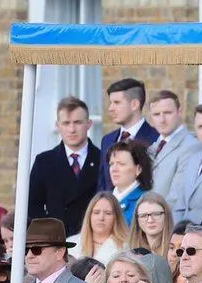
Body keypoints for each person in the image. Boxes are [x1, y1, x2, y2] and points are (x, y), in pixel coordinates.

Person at [29, 96, 101, 235]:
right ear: (58, 126)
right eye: (66, 123)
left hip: (93, 238)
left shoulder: (103, 160)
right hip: (57, 240)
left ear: (89, 124)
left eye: (78, 122)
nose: (72, 129)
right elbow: (33, 206)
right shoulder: (44, 162)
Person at [98, 78, 159, 194]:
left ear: (134, 104)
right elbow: (102, 185)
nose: (110, 108)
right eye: (111, 103)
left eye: (117, 102)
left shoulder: (156, 139)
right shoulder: (107, 140)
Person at [146, 90, 202, 202]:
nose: (162, 120)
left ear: (179, 111)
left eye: (167, 113)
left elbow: (177, 196)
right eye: (156, 114)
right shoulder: (153, 146)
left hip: (166, 216)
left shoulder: (191, 147)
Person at [70, 192, 130, 265]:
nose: (101, 218)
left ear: (116, 218)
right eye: (96, 212)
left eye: (108, 213)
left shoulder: (126, 247)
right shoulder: (71, 244)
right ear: (89, 215)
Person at [107, 139, 154, 224]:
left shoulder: (146, 203)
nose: (114, 169)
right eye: (111, 164)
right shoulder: (105, 200)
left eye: (121, 164)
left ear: (138, 169)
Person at [128, 192, 175, 259]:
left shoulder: (177, 250)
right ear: (137, 219)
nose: (150, 220)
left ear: (166, 215)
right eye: (143, 216)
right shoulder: (129, 252)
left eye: (156, 214)